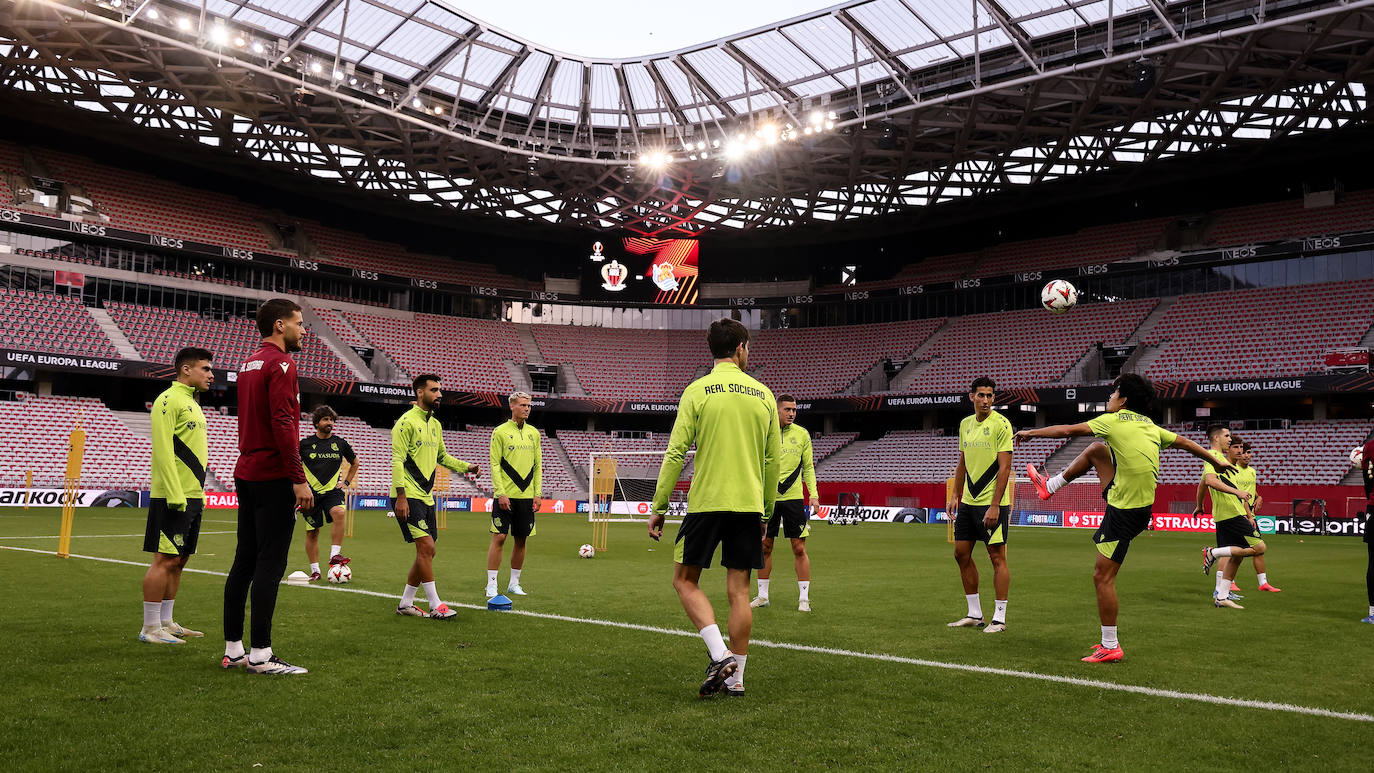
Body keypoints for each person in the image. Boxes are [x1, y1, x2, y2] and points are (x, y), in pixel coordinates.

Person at [1018, 373, 1236, 663]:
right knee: (1096, 450)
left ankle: (1110, 646)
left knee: (1102, 577)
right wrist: (1215, 460)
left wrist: (1030, 433)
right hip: (1134, 504)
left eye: (1113, 393)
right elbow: (1184, 442)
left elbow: (1068, 430)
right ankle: (1050, 486)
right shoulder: (1151, 426)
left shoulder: (1113, 421)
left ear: (1122, 399)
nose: (1109, 398)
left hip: (1124, 511)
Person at [649, 318, 780, 698]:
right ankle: (736, 678)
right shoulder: (764, 395)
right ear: (739, 347)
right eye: (748, 347)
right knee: (740, 592)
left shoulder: (697, 391)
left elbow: (676, 452)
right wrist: (766, 512)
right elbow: (773, 461)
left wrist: (659, 505)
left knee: (684, 580)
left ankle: (719, 653)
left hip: (707, 502)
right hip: (748, 505)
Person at [222, 299, 313, 675]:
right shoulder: (282, 363)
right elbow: (282, 423)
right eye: (299, 323)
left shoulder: (248, 363)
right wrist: (298, 478)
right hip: (274, 473)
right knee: (270, 564)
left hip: (246, 470)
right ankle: (260, 655)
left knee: (244, 560)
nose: (303, 330)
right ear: (280, 325)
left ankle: (233, 649)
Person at [139, 347, 214, 645]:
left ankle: (167, 622)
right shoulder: (168, 400)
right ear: (186, 369)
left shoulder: (192, 403)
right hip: (173, 496)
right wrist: (174, 492)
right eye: (205, 369)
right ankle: (149, 627)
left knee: (180, 560)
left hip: (193, 495)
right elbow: (163, 449)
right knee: (165, 559)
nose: (210, 375)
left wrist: (199, 493)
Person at [392, 374, 479, 620]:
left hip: (426, 497)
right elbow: (397, 460)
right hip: (407, 495)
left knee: (427, 552)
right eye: (434, 390)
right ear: (420, 393)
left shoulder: (436, 424)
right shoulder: (405, 422)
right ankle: (435, 604)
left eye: (440, 390)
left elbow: (442, 457)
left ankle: (405, 603)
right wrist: (400, 497)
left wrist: (467, 467)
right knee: (426, 547)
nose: (440, 394)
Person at [946, 377, 1013, 633]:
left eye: (990, 395)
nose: (986, 400)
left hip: (991, 504)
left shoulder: (1001, 425)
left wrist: (995, 505)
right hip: (967, 503)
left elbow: (1005, 468)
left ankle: (999, 618)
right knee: (960, 554)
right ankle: (974, 614)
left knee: (997, 558)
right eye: (981, 395)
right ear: (972, 396)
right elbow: (963, 462)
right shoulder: (965, 425)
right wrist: (954, 495)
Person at [751, 394, 818, 612]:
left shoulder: (802, 434)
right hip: (767, 499)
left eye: (794, 410)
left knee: (799, 547)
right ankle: (762, 596)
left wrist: (814, 495)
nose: (791, 413)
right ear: (777, 410)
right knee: (764, 546)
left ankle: (804, 599)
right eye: (787, 409)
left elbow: (808, 467)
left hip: (793, 499)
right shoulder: (764, 432)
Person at [1197, 433, 1263, 609]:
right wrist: (1237, 493)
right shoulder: (1215, 458)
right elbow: (1209, 481)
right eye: (1235, 446)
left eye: (1241, 447)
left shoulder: (1230, 467)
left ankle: (1222, 596)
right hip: (1229, 514)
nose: (1240, 450)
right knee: (1259, 548)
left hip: (1236, 513)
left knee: (1236, 556)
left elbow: (1203, 483)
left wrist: (1199, 505)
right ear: (1217, 438)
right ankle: (1212, 552)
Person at [486, 391, 541, 599]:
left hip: (527, 497)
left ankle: (514, 583)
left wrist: (538, 493)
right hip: (505, 495)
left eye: (529, 405)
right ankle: (491, 584)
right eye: (523, 405)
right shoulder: (499, 432)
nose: (527, 408)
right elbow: (495, 464)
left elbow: (538, 466)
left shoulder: (534, 433)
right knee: (499, 537)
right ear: (512, 407)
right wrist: (500, 492)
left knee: (521, 540)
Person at [299, 405, 358, 581]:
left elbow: (355, 462)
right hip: (310, 494)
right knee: (312, 532)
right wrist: (299, 486)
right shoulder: (305, 444)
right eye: (326, 419)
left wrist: (346, 482)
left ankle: (334, 556)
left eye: (332, 419)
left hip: (333, 491)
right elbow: (292, 464)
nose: (330, 422)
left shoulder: (340, 443)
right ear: (317, 422)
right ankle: (315, 571)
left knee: (340, 512)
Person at [1234, 440, 1280, 592]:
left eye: (1249, 452)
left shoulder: (1252, 471)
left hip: (1249, 514)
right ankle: (1228, 579)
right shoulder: (1235, 471)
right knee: (1239, 549)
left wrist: (1259, 497)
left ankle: (1263, 583)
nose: (1247, 455)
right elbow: (1241, 496)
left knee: (1255, 549)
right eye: (1244, 452)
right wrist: (1249, 515)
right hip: (1239, 514)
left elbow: (1250, 490)